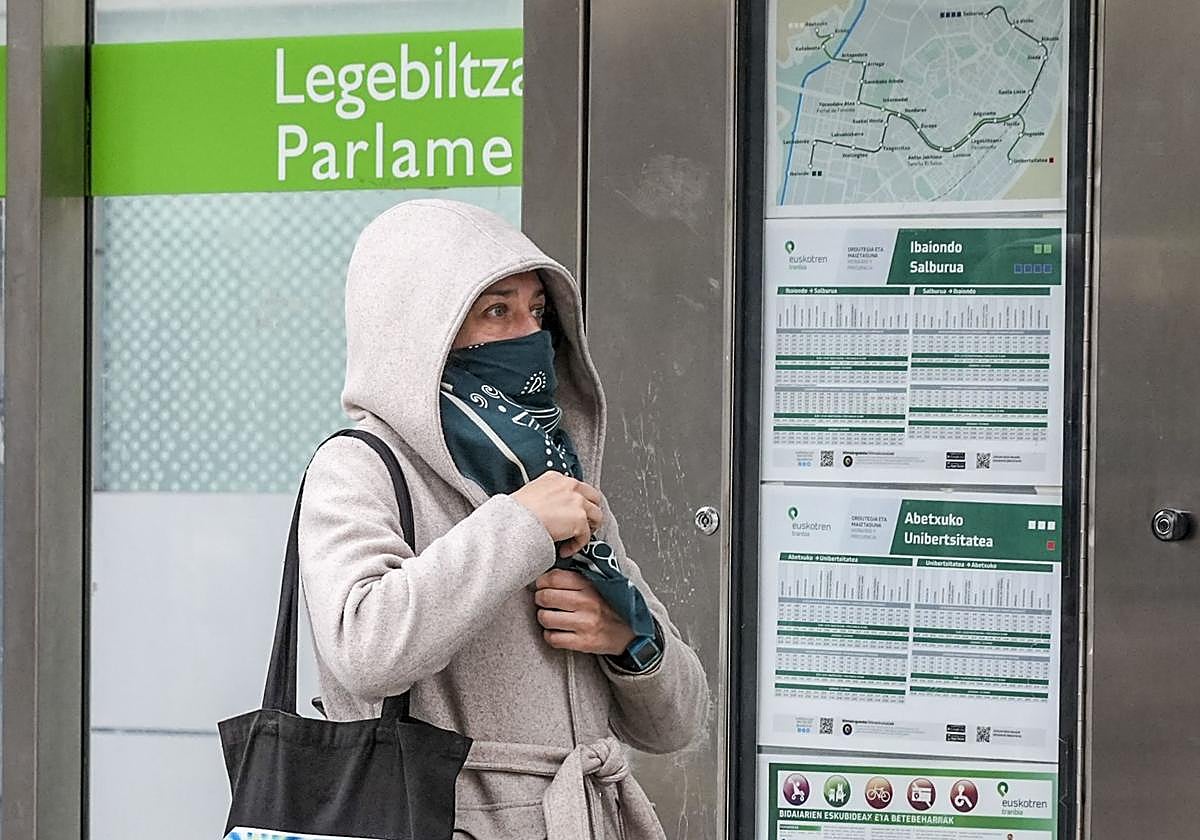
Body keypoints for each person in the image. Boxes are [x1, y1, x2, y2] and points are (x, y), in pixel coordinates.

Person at [298, 198, 709, 840]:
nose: (529, 335)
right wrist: (520, 524)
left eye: (537, 312)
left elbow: (677, 724)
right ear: (422, 328)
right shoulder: (360, 466)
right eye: (497, 310)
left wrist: (630, 638)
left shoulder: (555, 472)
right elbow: (364, 648)